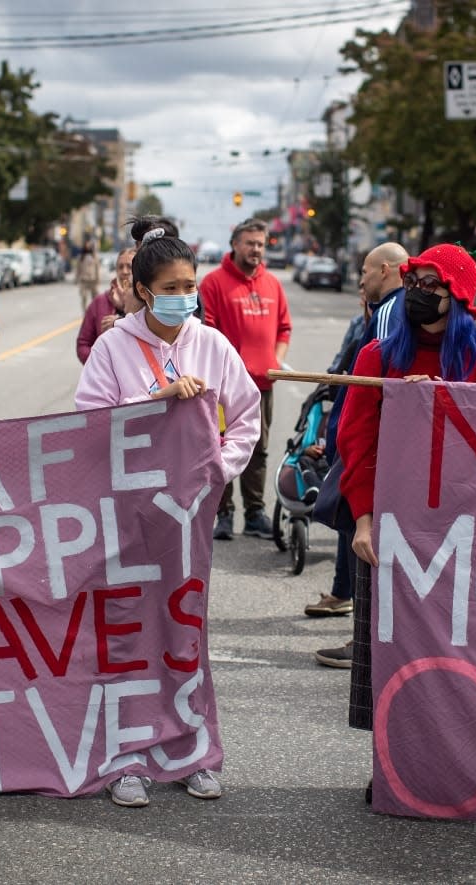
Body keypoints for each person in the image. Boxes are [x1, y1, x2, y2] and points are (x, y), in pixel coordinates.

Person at [74, 226, 261, 808]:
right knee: (129, 631)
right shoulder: (112, 347)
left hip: (188, 523)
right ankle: (127, 759)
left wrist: (215, 472)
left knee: (184, 634)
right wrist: (154, 402)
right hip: (127, 517)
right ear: (143, 291)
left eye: (191, 284)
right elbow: (88, 422)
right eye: (171, 287)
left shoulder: (212, 344)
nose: (185, 295)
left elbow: (248, 413)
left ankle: (191, 753)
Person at [336, 244, 476, 799]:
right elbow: (355, 442)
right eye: (415, 280)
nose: (419, 291)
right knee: (390, 652)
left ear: (457, 295)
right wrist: (362, 519)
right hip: (385, 530)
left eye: (433, 283)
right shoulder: (377, 358)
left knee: (452, 657)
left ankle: (450, 766)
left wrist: (447, 406)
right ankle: (392, 766)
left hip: (454, 535)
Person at [310, 242, 409, 663]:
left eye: (366, 272)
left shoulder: (388, 311)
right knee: (352, 527)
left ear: (385, 270)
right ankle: (344, 597)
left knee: (362, 534)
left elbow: (377, 383)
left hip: (371, 447)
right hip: (370, 446)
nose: (362, 280)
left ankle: (367, 643)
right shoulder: (386, 309)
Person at [199, 217, 292, 540]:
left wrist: (275, 361)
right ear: (235, 244)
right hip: (224, 388)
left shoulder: (273, 284)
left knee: (258, 450)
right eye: (250, 243)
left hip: (262, 385)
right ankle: (223, 514)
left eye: (261, 244)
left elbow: (284, 328)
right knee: (220, 447)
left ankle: (255, 514)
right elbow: (205, 331)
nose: (256, 250)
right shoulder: (213, 283)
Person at [76, 247, 135, 363]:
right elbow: (83, 344)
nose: (124, 271)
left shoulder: (145, 302)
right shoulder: (99, 302)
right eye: (120, 267)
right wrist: (99, 363)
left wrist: (120, 319)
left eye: (129, 266)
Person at [75, 241, 100, 312]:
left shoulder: (94, 256)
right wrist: (76, 278)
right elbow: (78, 268)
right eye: (87, 245)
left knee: (95, 297)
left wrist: (98, 279)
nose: (88, 246)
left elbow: (97, 268)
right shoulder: (81, 257)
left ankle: (95, 311)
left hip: (93, 280)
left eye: (89, 245)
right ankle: (85, 312)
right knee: (84, 297)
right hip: (84, 280)